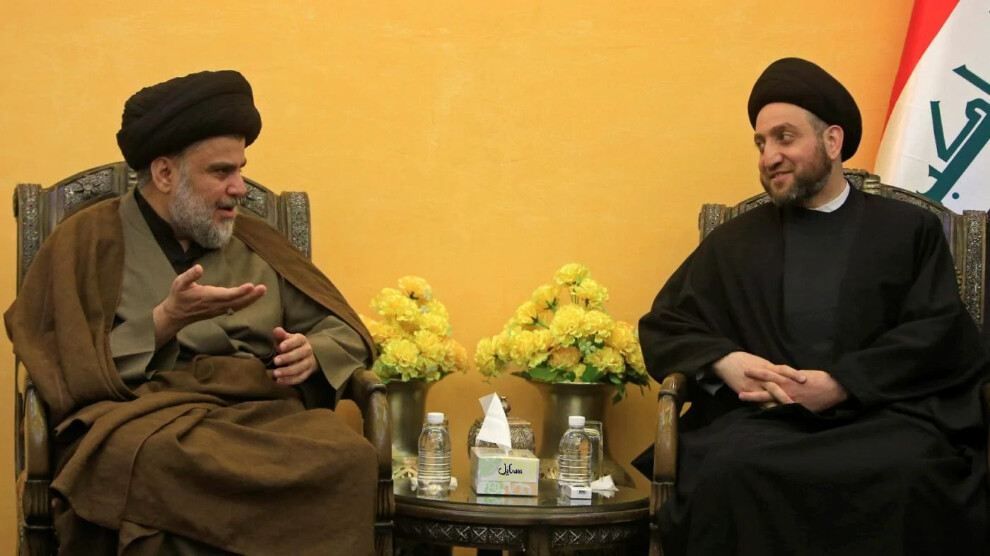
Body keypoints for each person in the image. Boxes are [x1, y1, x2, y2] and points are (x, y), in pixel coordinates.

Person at [5, 70, 379, 555]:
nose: (240, 188)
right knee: (142, 459)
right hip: (145, 417)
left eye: (241, 170)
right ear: (165, 174)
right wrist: (164, 321)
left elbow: (343, 330)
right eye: (221, 173)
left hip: (260, 416)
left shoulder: (259, 242)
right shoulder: (86, 240)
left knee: (349, 456)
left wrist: (313, 351)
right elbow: (57, 361)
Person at [636, 58, 989, 555]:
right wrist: (724, 361)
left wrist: (843, 383)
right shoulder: (733, 241)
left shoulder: (908, 230)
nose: (769, 156)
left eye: (785, 137)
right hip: (761, 425)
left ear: (832, 141)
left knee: (915, 471)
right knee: (726, 471)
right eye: (761, 143)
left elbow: (939, 332)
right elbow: (666, 323)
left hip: (882, 418)